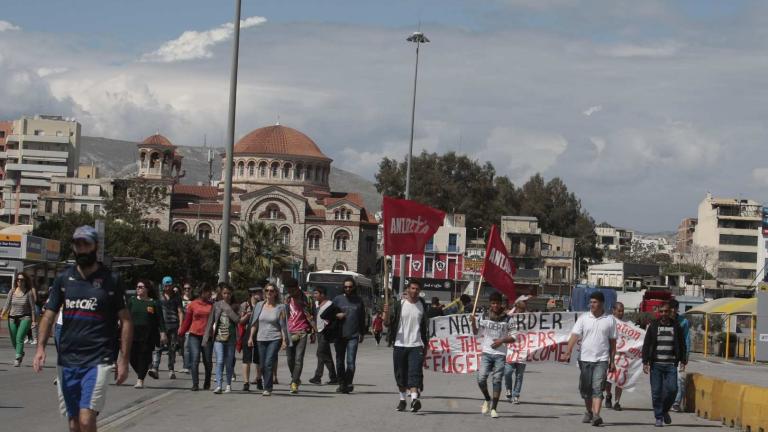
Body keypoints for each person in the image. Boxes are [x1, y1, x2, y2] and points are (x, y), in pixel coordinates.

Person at [33, 225, 133, 432]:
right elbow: (49, 315)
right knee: (74, 423)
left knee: (86, 419)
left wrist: (124, 360)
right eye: (78, 244)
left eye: (86, 244)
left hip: (97, 359)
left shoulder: (111, 280)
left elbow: (126, 321)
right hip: (67, 359)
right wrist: (40, 348)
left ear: (95, 246)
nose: (81, 248)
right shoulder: (64, 279)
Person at [564, 291, 617, 427]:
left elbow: (612, 343)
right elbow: (574, 335)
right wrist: (568, 351)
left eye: (594, 302)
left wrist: (612, 361)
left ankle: (596, 415)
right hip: (585, 359)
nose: (591, 304)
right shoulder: (584, 318)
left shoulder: (610, 320)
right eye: (591, 302)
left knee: (597, 388)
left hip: (602, 360)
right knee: (586, 389)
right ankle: (589, 411)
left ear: (602, 303)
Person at [383, 280, 429, 413]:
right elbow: (387, 324)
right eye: (412, 288)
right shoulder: (399, 305)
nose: (415, 291)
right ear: (407, 289)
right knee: (400, 374)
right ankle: (402, 400)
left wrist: (426, 344)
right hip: (400, 344)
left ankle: (414, 399)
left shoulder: (422, 306)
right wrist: (386, 313)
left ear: (420, 291)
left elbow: (425, 327)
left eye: (417, 289)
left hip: (416, 345)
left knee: (415, 372)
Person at [642, 301, 688, 427]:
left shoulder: (676, 326)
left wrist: (683, 360)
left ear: (670, 311)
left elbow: (682, 344)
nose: (663, 314)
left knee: (673, 390)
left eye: (666, 311)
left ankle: (664, 410)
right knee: (656, 392)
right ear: (658, 312)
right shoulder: (653, 326)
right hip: (656, 365)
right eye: (661, 311)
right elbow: (646, 344)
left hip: (671, 364)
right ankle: (659, 417)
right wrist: (645, 361)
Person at [470, 292, 515, 419]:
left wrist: (502, 341)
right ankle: (487, 399)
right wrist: (473, 323)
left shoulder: (508, 318)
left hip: (500, 354)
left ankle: (494, 409)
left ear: (501, 304)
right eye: (493, 303)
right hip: (487, 352)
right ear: (490, 303)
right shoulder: (484, 316)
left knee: (497, 380)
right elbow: (476, 333)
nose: (495, 305)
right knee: (481, 378)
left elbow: (514, 337)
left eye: (497, 303)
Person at [248, 283, 291, 396]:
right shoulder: (259, 306)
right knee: (262, 365)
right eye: (267, 290)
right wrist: (251, 337)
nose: (269, 292)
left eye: (271, 290)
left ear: (275, 293)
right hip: (261, 338)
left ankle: (267, 387)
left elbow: (283, 325)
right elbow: (255, 322)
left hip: (275, 338)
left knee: (268, 362)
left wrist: (284, 340)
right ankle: (267, 383)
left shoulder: (280, 307)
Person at [127, 280, 166, 389]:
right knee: (132, 357)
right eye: (137, 287)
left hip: (148, 334)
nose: (138, 288)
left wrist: (163, 333)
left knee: (144, 356)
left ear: (147, 289)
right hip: (133, 333)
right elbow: (126, 315)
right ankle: (143, 371)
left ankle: (140, 380)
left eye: (141, 287)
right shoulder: (132, 300)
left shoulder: (154, 303)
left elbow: (160, 320)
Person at [331, 277, 367, 394]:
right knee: (339, 361)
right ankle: (342, 383)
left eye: (350, 287)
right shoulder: (337, 299)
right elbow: (329, 314)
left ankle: (348, 382)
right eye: (346, 287)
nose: (348, 289)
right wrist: (336, 315)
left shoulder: (359, 300)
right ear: (343, 287)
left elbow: (362, 318)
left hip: (353, 335)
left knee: (351, 361)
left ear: (354, 287)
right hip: (339, 335)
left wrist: (362, 332)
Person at [202, 283, 240, 394]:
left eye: (228, 293)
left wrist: (230, 310)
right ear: (221, 294)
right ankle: (219, 385)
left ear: (231, 294)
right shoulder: (217, 305)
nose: (226, 295)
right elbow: (210, 321)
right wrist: (206, 338)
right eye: (224, 293)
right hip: (218, 338)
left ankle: (228, 385)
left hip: (231, 338)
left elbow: (238, 320)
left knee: (229, 362)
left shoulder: (236, 306)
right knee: (219, 361)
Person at [178, 283, 214, 391]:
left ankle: (207, 381)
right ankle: (195, 384)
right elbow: (187, 321)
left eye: (210, 292)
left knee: (208, 361)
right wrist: (181, 333)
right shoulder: (193, 304)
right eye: (208, 292)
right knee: (195, 359)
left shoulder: (212, 305)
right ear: (202, 292)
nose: (210, 294)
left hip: (207, 336)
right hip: (194, 335)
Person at [284, 277, 316, 394]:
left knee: (298, 358)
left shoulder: (307, 298)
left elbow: (312, 315)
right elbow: (282, 316)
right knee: (290, 359)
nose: (290, 292)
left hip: (302, 331)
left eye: (292, 290)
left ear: (297, 288)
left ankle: (294, 382)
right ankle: (295, 378)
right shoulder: (286, 299)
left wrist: (313, 332)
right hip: (289, 332)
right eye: (288, 290)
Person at [151, 276, 183, 380]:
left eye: (169, 285)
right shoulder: (159, 296)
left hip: (174, 325)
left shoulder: (177, 297)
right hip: (162, 326)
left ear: (172, 285)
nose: (167, 287)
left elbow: (180, 311)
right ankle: (155, 368)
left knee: (172, 348)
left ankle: (171, 369)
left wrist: (181, 326)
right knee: (158, 347)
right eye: (165, 285)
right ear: (163, 285)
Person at [2, 271, 37, 366]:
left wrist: (34, 321)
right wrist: (2, 314)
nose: (19, 281)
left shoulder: (28, 293)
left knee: (19, 337)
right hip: (12, 318)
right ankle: (20, 352)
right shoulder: (12, 291)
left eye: (22, 280)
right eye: (18, 279)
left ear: (25, 281)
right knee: (13, 340)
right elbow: (7, 304)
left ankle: (17, 358)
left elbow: (32, 308)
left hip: (25, 317)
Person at [309, 286, 337, 385]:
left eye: (316, 293)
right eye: (314, 293)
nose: (314, 295)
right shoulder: (316, 304)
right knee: (326, 355)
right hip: (319, 332)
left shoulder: (330, 304)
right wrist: (313, 330)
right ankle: (334, 377)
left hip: (326, 332)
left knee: (320, 353)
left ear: (323, 295)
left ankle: (318, 376)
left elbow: (332, 318)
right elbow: (314, 317)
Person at [504, 295, 529, 403]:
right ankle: (508, 390)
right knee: (508, 372)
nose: (520, 311)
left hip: (523, 350)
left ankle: (516, 395)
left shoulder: (528, 318)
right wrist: (514, 307)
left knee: (519, 375)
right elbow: (506, 316)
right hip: (512, 349)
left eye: (522, 309)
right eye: (518, 309)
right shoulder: (510, 318)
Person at [669, 299, 691, 413]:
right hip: (665, 356)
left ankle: (676, 403)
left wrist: (685, 357)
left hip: (679, 356)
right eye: (671, 308)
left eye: (675, 308)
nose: (673, 310)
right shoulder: (663, 321)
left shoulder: (683, 322)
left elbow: (687, 339)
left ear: (677, 309)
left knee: (680, 379)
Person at [239, 286, 262, 391]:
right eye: (259, 293)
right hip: (247, 333)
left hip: (260, 333)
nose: (261, 295)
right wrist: (247, 316)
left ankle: (259, 379)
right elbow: (240, 321)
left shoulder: (262, 305)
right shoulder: (245, 305)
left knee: (258, 359)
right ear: (253, 294)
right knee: (246, 359)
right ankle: (246, 382)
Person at [605, 302, 626, 411]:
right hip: (608, 354)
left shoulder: (626, 326)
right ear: (613, 310)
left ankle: (617, 402)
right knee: (608, 379)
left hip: (621, 356)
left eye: (622, 311)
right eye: (619, 311)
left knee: (620, 380)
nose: (621, 313)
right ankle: (608, 395)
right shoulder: (608, 321)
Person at [179, 282, 193, 373]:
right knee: (182, 347)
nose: (187, 290)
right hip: (181, 325)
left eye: (188, 288)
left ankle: (187, 366)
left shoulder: (194, 299)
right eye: (185, 288)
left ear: (191, 289)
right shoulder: (180, 299)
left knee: (187, 346)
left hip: (191, 326)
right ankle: (187, 364)